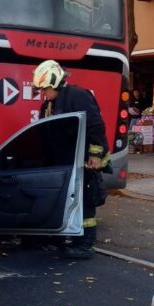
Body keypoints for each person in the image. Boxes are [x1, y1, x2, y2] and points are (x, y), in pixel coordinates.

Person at [33, 59, 110, 259]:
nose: (43, 93)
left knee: (85, 205)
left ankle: (85, 245)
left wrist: (94, 154)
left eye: (45, 89)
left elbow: (95, 126)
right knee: (68, 203)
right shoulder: (48, 105)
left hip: (83, 162)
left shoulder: (78, 96)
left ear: (56, 83)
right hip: (64, 164)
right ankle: (64, 238)